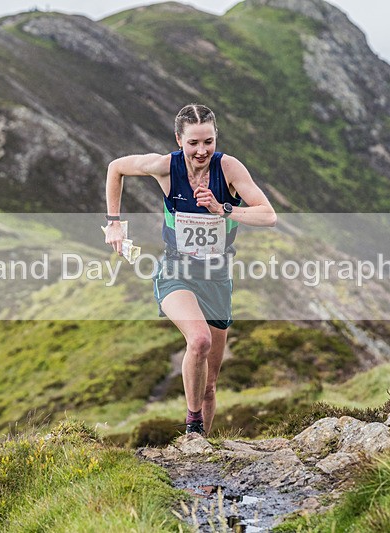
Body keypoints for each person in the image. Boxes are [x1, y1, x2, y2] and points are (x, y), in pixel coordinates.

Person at [104, 104, 276, 436]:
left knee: (209, 385)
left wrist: (223, 209)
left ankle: (201, 451)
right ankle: (192, 425)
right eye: (193, 143)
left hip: (217, 278)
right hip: (176, 271)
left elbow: (268, 215)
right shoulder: (165, 167)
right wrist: (114, 223)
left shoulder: (228, 168)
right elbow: (116, 168)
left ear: (216, 138)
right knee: (198, 340)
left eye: (208, 142)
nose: (201, 151)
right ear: (179, 140)